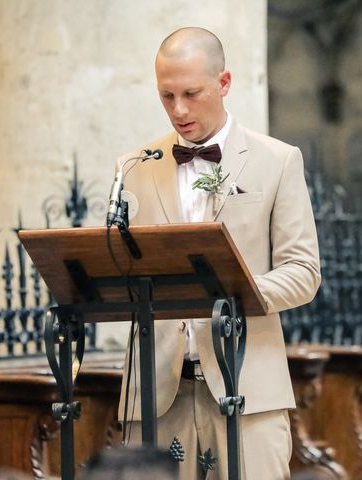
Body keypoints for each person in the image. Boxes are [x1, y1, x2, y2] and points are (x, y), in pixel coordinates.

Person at [116, 27, 321, 479]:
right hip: (157, 390)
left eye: (191, 93)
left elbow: (304, 271)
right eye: (166, 96)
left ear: (224, 83)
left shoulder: (277, 160)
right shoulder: (134, 166)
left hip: (248, 384)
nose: (178, 110)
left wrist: (231, 292)